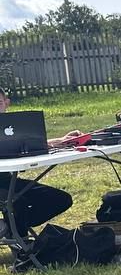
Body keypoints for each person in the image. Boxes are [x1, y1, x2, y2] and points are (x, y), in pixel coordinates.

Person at [0, 90, 74, 243]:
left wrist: (62, 140)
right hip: (6, 188)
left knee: (61, 199)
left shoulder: (11, 128)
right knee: (15, 202)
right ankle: (20, 242)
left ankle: (8, 227)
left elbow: (32, 144)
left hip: (8, 183)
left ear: (7, 103)